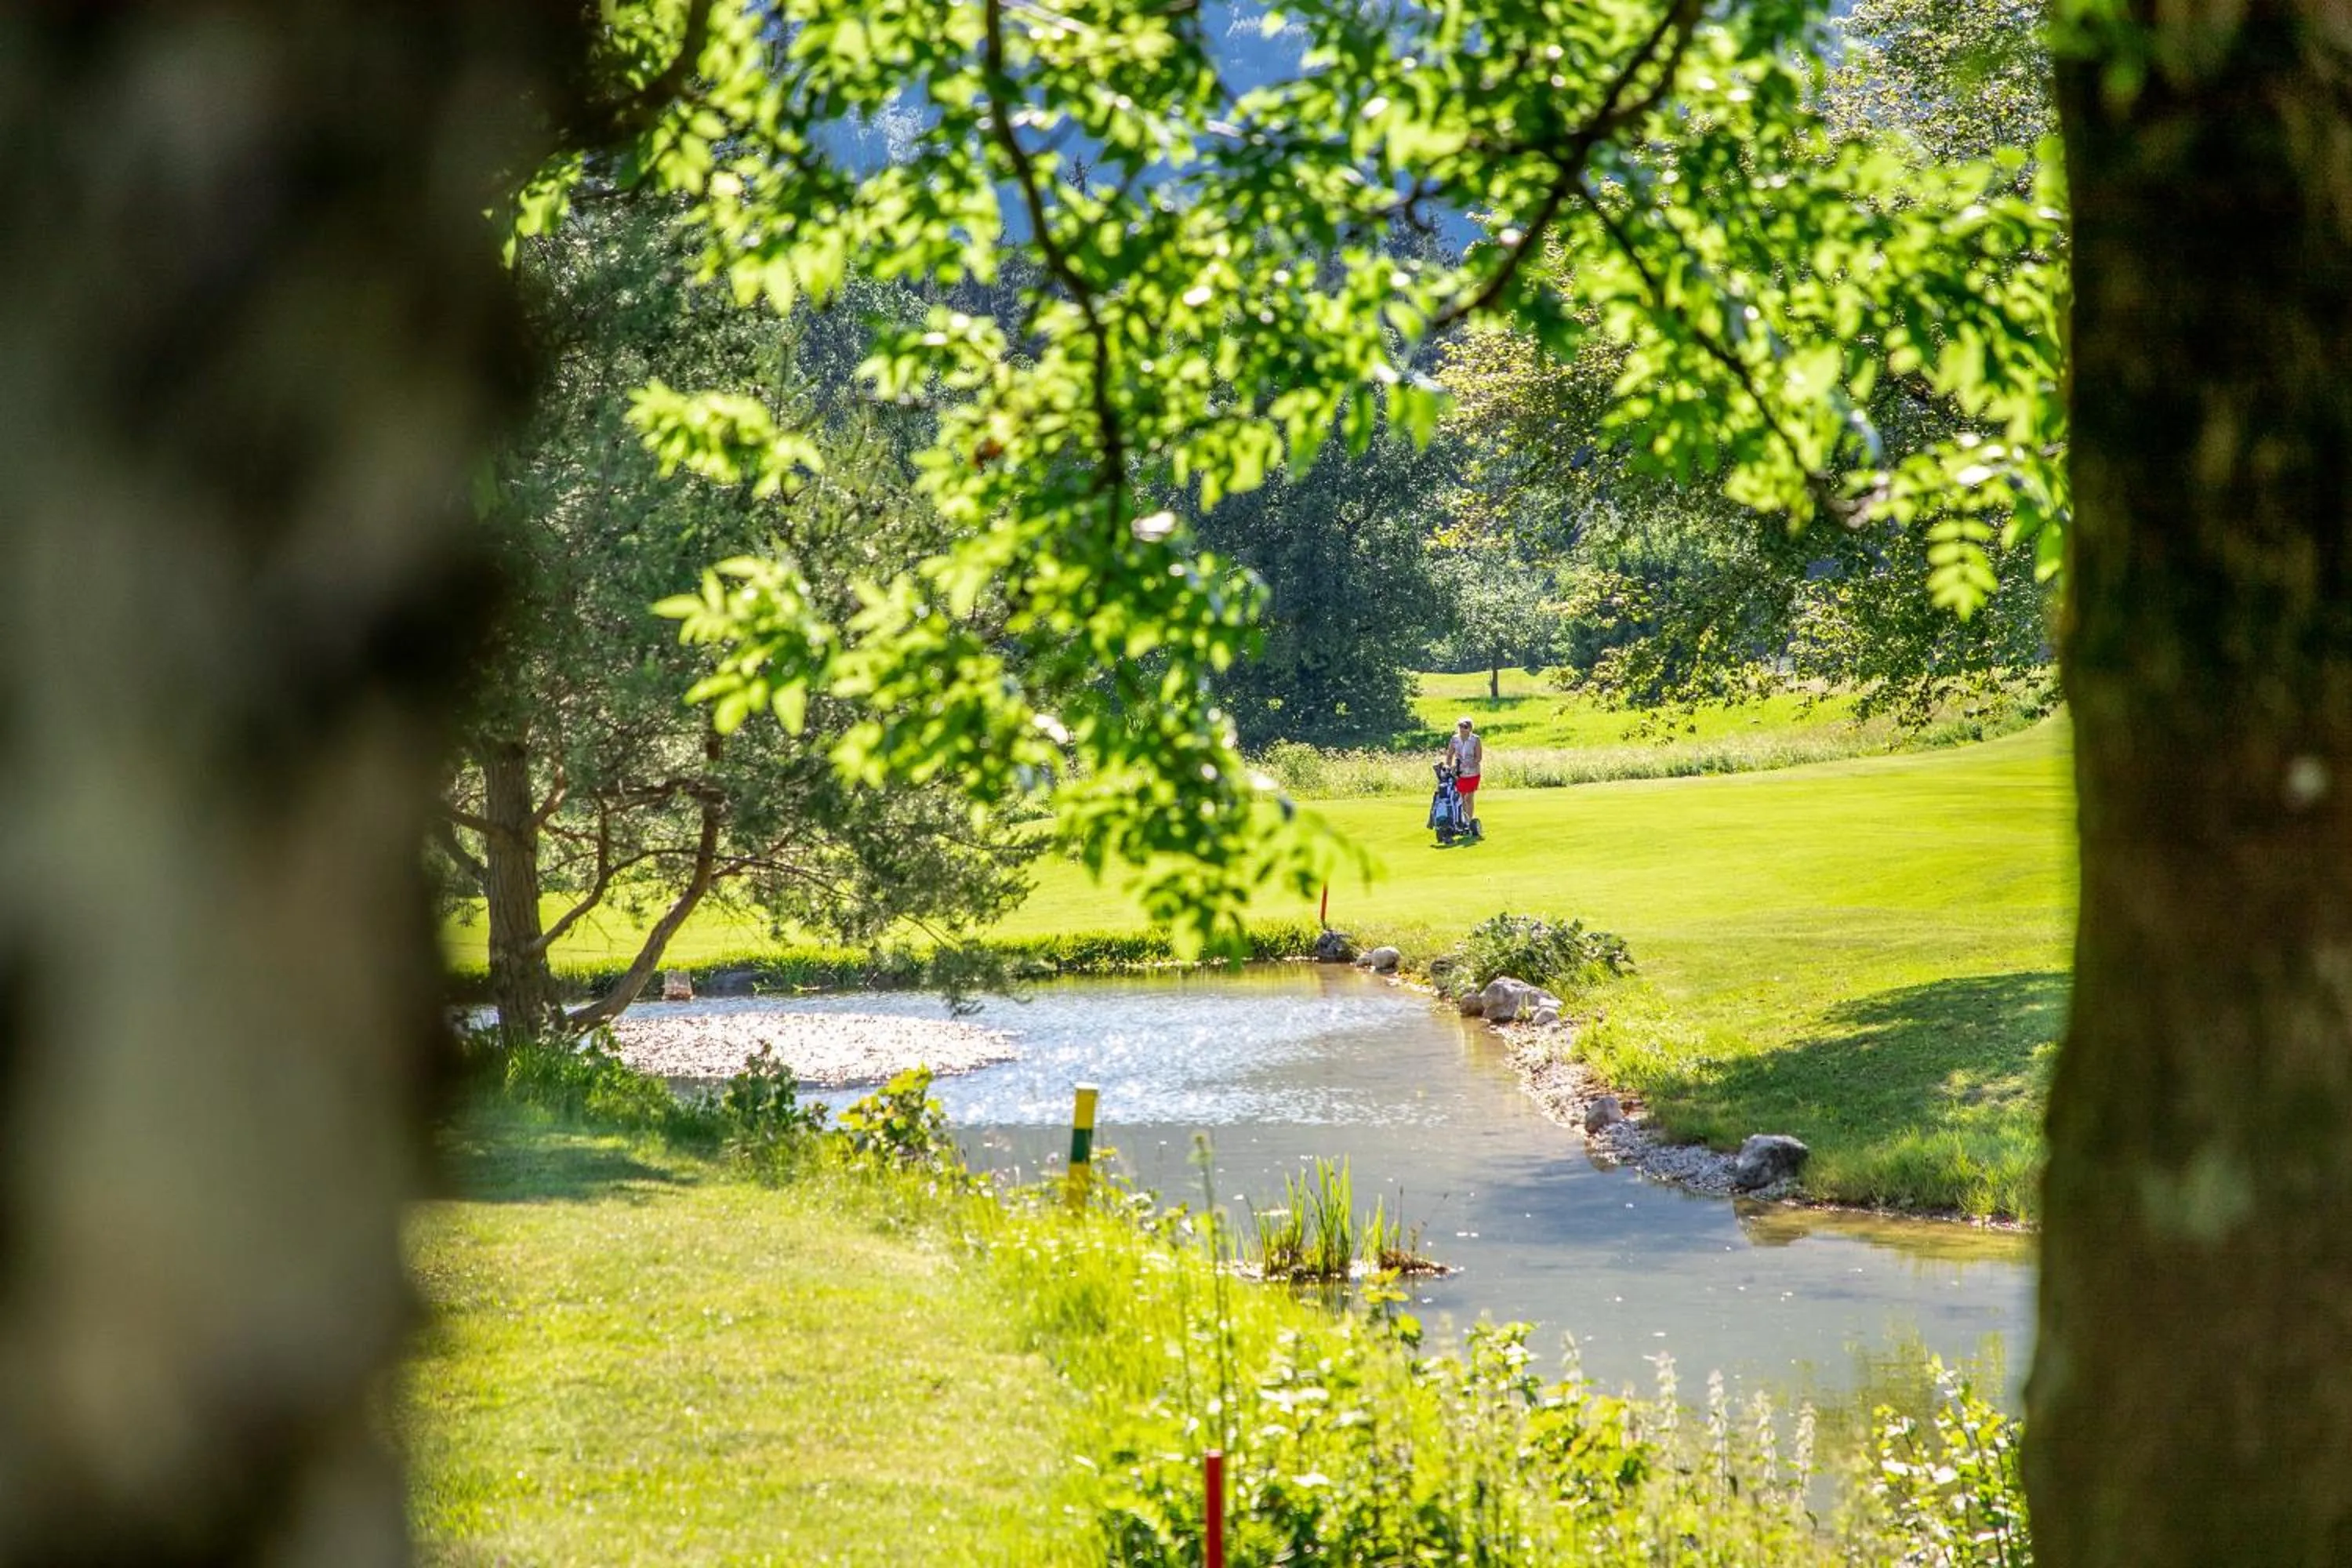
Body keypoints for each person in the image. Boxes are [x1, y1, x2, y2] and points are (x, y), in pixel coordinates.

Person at [1446, 717, 1484, 831]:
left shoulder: (1475, 739)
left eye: (1465, 727)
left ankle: (1469, 820)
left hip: (1473, 773)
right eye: (1461, 727)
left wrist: (1469, 764)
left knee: (1469, 797)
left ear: (1470, 728)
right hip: (1459, 773)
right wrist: (1448, 767)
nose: (1462, 729)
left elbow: (1478, 757)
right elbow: (1450, 755)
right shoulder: (1454, 739)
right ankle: (1462, 820)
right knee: (1461, 798)